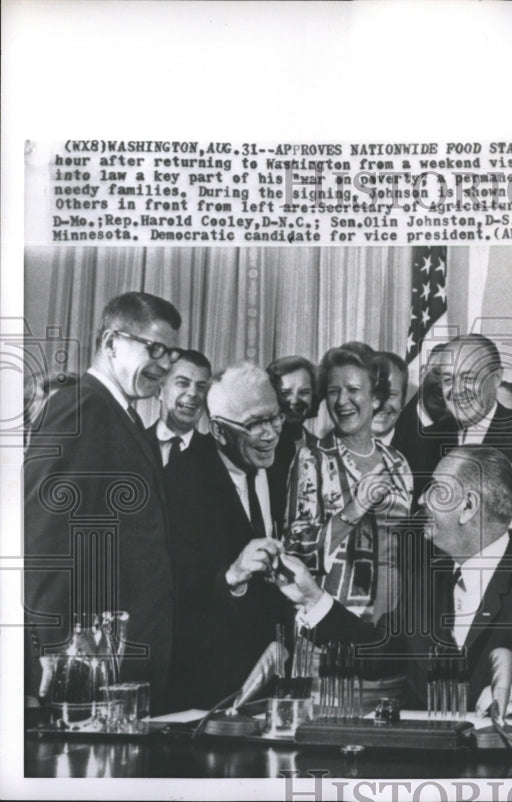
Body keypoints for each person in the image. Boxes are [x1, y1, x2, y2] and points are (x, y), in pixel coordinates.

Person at [279, 446, 512, 719]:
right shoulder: (425, 582)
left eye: (434, 490)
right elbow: (375, 656)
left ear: (468, 506)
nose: (419, 501)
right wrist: (313, 597)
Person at [24, 291, 182, 713]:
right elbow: (46, 541)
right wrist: (60, 656)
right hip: (89, 667)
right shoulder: (79, 407)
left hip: (124, 663)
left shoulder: (121, 413)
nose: (166, 365)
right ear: (112, 342)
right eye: (155, 348)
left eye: (173, 353)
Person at [163, 362, 287, 710]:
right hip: (211, 688)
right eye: (254, 424)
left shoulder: (287, 462)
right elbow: (178, 591)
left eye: (274, 417)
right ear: (218, 431)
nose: (270, 433)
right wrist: (232, 575)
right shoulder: (181, 481)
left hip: (278, 680)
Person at [284, 348, 413, 624]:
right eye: (333, 391)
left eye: (353, 389)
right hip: (330, 625)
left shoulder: (398, 463)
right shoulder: (312, 459)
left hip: (389, 625)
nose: (342, 401)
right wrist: (353, 511)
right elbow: (296, 550)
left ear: (375, 397)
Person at [406, 334, 512, 534]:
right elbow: (412, 518)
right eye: (448, 380)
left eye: (468, 378)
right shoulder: (425, 439)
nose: (457, 391)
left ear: (497, 377)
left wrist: (488, 519)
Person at [266, 355, 319, 522]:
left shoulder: (322, 449)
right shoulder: (258, 448)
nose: (294, 401)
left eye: (304, 392)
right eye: (285, 393)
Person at [146, 349, 214, 468]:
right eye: (183, 383)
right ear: (159, 391)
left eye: (201, 387)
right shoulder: (132, 444)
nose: (193, 393)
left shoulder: (217, 455)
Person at [391, 341, 450, 466]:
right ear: (422, 373)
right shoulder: (392, 426)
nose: (442, 384)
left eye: (451, 378)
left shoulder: (462, 432)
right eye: (437, 373)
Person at [371, 351, 408, 446]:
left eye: (391, 395)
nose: (382, 404)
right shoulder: (331, 453)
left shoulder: (422, 451)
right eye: (374, 394)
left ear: (403, 400)